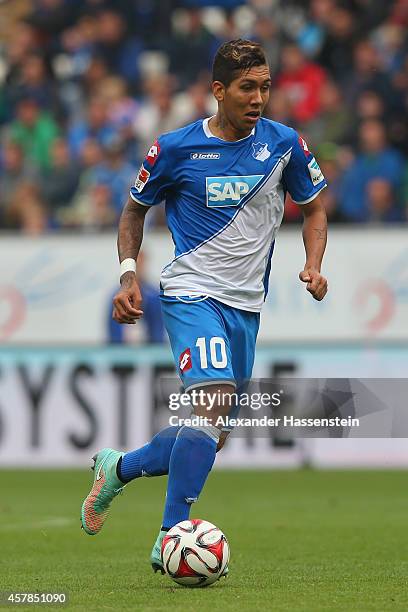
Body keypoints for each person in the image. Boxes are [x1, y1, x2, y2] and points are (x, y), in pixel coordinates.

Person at [80, 39, 328, 574]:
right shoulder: (175, 148)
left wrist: (313, 263)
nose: (259, 97)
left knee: (212, 431)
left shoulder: (285, 145)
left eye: (264, 86)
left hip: (246, 305)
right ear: (219, 91)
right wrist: (128, 275)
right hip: (191, 291)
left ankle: (118, 469)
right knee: (211, 404)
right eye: (247, 88)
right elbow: (133, 210)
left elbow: (313, 210)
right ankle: (172, 535)